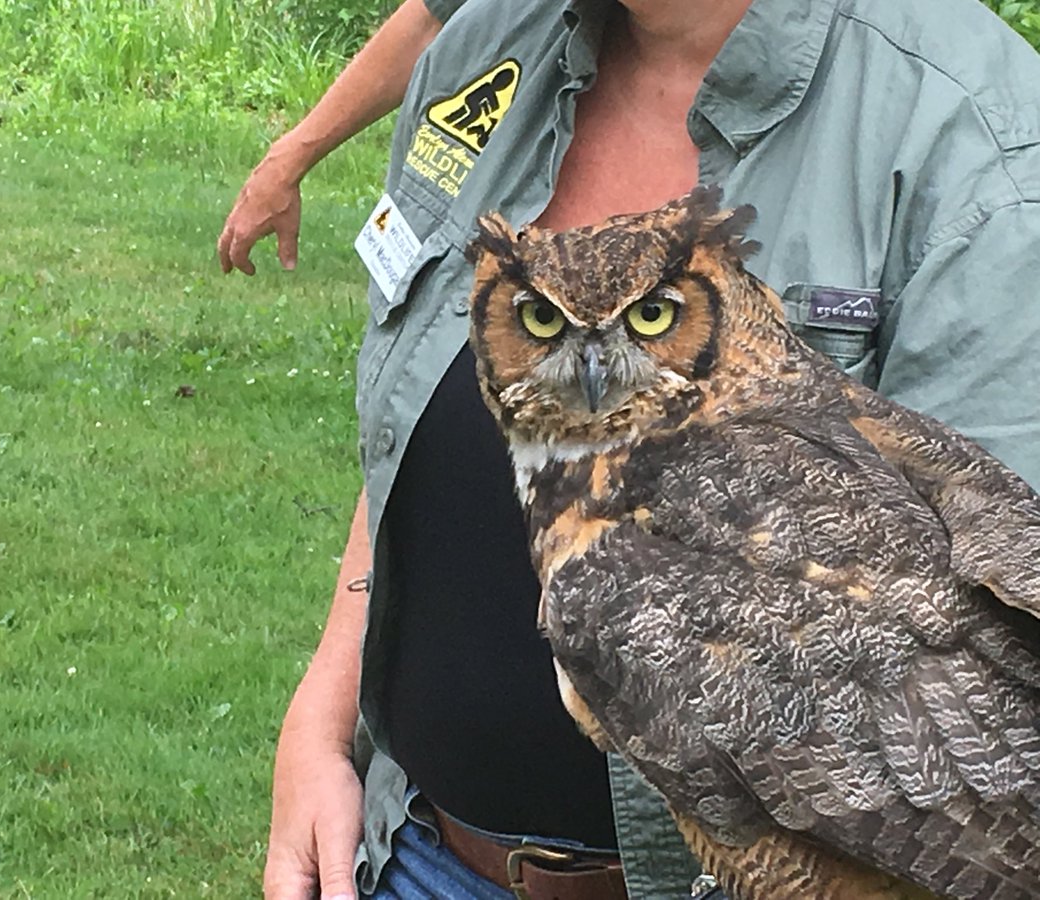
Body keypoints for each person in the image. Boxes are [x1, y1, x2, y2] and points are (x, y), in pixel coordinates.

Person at [218, 1, 1040, 898]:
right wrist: (321, 722)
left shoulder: (975, 136)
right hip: (413, 846)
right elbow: (416, 418)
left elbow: (991, 679)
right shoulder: (488, 44)